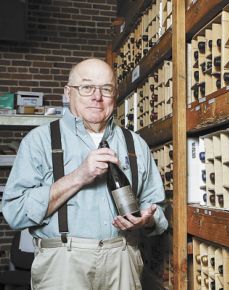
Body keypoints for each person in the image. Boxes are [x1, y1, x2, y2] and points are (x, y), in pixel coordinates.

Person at [2, 58, 168, 290]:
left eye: (106, 89)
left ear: (115, 94)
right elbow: (15, 212)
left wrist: (147, 219)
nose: (97, 97)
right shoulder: (39, 141)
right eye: (87, 87)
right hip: (63, 264)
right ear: (68, 92)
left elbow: (158, 208)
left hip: (123, 258)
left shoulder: (135, 144)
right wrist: (79, 176)